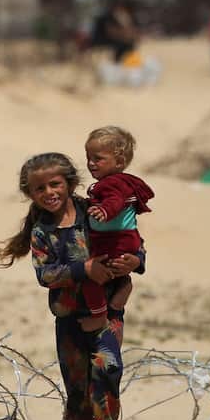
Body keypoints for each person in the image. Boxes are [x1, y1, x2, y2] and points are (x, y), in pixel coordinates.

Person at [0, 153, 142, 420]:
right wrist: (84, 269)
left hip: (108, 312)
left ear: (70, 183)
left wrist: (136, 261)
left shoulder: (96, 212)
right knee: (77, 383)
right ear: (30, 195)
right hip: (70, 317)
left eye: (55, 184)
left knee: (107, 367)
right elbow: (45, 274)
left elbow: (130, 239)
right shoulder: (41, 232)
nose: (49, 193)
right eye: (39, 189)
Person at [82, 127, 153, 329]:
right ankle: (123, 287)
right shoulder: (120, 182)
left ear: (119, 163)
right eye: (88, 157)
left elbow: (115, 201)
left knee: (92, 281)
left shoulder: (113, 183)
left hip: (114, 240)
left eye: (98, 158)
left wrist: (104, 211)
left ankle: (99, 315)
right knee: (113, 274)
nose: (90, 163)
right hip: (125, 238)